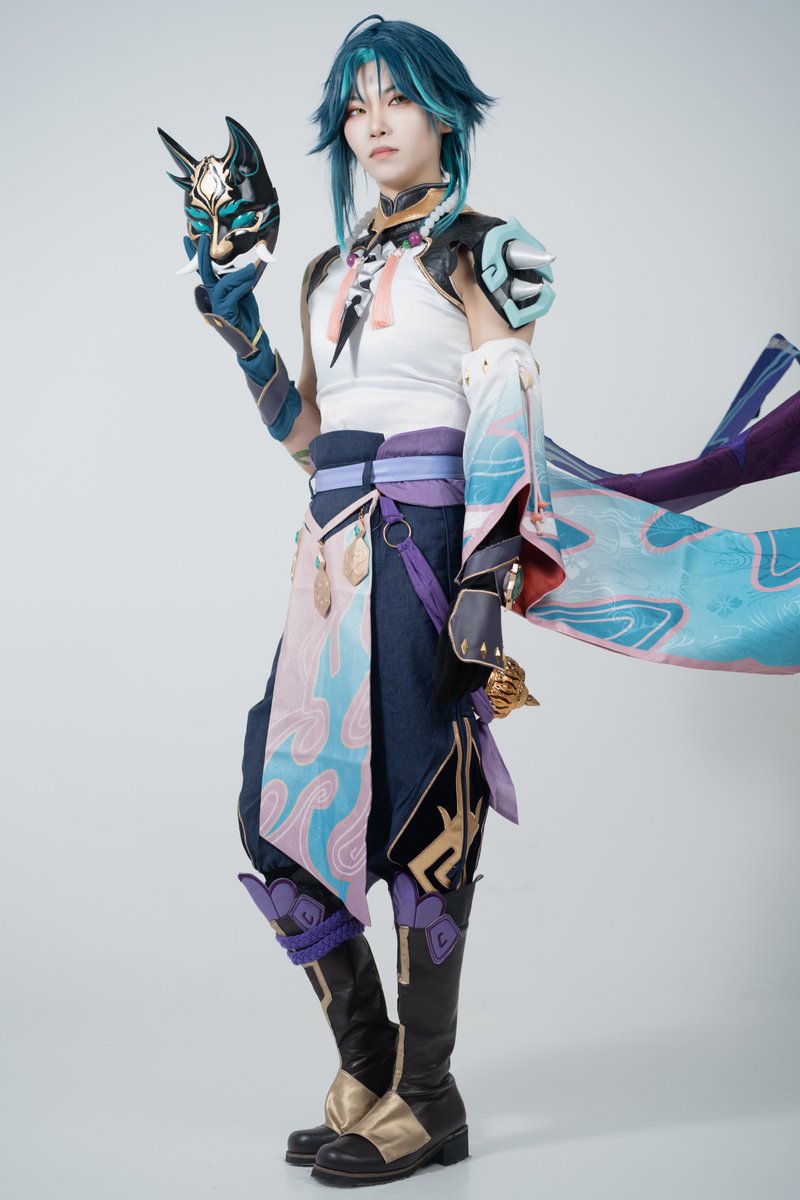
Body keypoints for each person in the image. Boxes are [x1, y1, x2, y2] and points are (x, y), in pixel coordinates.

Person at [163, 14, 800, 1189]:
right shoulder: (321, 273)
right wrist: (241, 331)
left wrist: (484, 577)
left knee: (425, 809)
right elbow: (309, 436)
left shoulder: (482, 251)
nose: (372, 124)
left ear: (444, 112)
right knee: (276, 815)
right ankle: (368, 1066)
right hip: (326, 563)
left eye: (394, 98)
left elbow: (503, 408)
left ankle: (429, 1096)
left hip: (425, 551)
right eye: (354, 107)